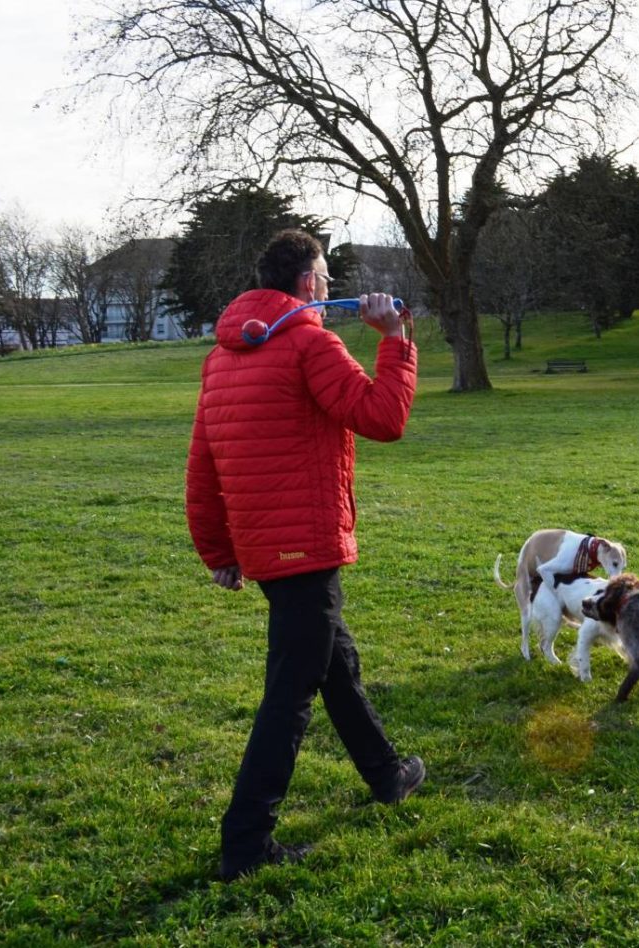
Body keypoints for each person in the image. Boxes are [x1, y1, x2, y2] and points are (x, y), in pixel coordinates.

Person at [186, 229, 425, 882]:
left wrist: (218, 549)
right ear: (306, 283)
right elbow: (383, 418)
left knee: (333, 664)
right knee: (288, 695)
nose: (326, 286)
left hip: (266, 549)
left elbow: (202, 463)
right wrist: (394, 341)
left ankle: (386, 775)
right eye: (322, 275)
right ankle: (245, 845)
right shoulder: (309, 343)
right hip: (305, 547)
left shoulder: (222, 357)